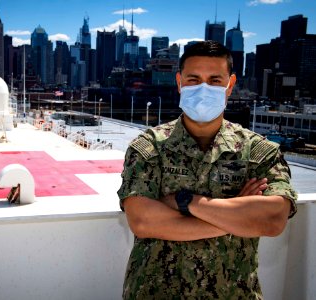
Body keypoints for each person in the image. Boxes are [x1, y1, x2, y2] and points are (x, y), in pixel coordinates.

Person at [117, 40, 297, 299]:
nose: (203, 89)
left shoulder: (258, 152)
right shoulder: (149, 147)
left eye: (214, 80)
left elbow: (272, 220)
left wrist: (186, 202)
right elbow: (143, 221)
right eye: (193, 80)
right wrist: (239, 215)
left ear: (230, 85)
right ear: (179, 83)